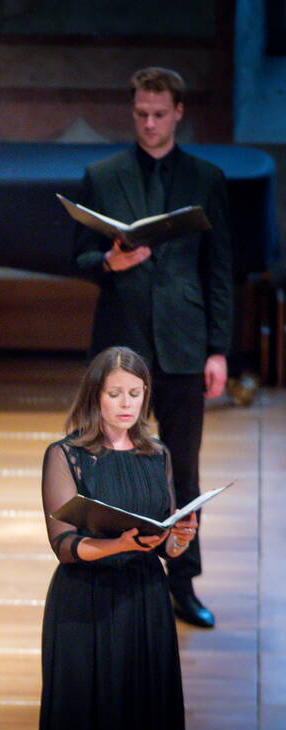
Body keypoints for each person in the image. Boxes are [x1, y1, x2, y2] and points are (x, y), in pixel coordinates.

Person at [73, 66, 232, 628]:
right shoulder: (103, 173)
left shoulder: (206, 178)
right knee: (114, 466)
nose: (149, 123)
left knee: (182, 472)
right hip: (122, 345)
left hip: (185, 344)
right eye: (141, 113)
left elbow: (219, 271)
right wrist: (108, 262)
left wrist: (219, 349)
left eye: (159, 114)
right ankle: (115, 573)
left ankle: (182, 585)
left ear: (178, 113)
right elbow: (78, 257)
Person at [36, 346, 197, 730]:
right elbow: (64, 545)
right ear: (96, 397)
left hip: (144, 597)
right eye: (115, 394)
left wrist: (178, 538)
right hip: (84, 602)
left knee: (143, 717)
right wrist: (116, 545)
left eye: (135, 393)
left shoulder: (156, 454)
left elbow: (162, 539)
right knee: (87, 721)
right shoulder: (65, 456)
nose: (127, 404)